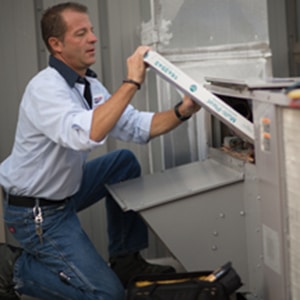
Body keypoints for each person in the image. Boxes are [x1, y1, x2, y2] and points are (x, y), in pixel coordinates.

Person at [0, 2, 200, 300]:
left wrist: (183, 111)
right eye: (81, 33)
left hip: (65, 191)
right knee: (108, 295)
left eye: (92, 31)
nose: (93, 38)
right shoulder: (44, 89)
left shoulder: (88, 85)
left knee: (123, 163)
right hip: (36, 212)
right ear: (56, 44)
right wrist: (132, 81)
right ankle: (15, 270)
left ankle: (125, 260)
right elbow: (85, 134)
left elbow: (136, 126)